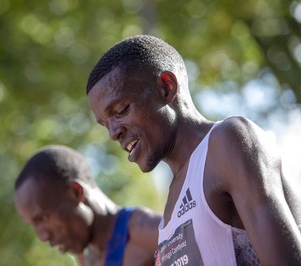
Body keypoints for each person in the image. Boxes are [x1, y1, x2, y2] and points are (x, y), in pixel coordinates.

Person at [86, 35, 301, 266]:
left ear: (166, 87)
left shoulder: (227, 141)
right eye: (105, 124)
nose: (113, 133)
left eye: (121, 109)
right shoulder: (169, 210)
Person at [14, 145, 161, 266]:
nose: (42, 237)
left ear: (76, 193)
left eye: (43, 218)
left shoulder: (149, 233)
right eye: (33, 225)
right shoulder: (88, 258)